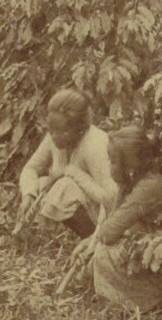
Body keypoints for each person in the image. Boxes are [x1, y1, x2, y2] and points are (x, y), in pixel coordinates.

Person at [81, 126, 162, 311]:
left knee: (105, 253)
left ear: (130, 167)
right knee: (95, 254)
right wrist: (87, 245)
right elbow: (113, 222)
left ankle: (143, 302)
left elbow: (108, 233)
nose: (110, 167)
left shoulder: (150, 186)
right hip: (151, 254)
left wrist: (99, 244)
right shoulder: (135, 182)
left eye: (113, 162)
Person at [16, 88, 118, 239]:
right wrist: (28, 194)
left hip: (108, 217)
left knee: (65, 187)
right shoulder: (54, 136)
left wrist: (72, 172)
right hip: (88, 205)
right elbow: (31, 169)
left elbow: (112, 199)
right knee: (41, 184)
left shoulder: (94, 145)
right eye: (51, 130)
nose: (54, 136)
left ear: (79, 129)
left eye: (62, 131)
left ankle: (92, 238)